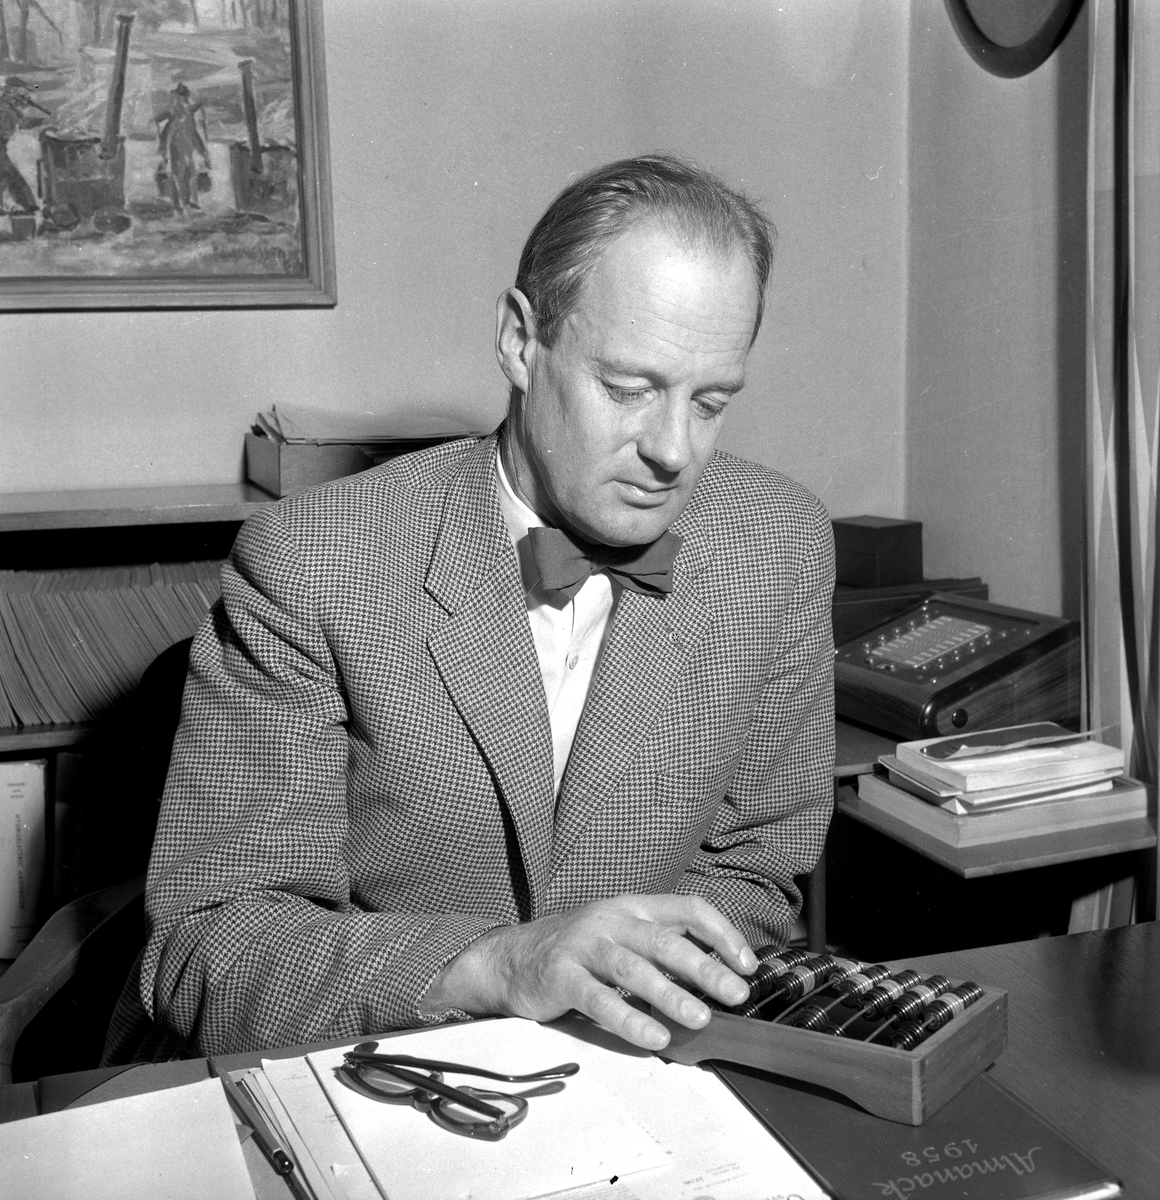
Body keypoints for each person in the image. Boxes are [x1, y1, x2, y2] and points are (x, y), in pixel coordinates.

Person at [106, 153, 835, 1063]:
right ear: (520, 341)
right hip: (368, 1062)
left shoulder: (778, 547)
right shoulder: (311, 563)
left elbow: (753, 874)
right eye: (628, 389)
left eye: (712, 401)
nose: (673, 451)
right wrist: (498, 964)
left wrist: (639, 1003)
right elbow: (212, 943)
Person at [157, 82, 209, 214]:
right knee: (178, 175)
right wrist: (164, 149)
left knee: (190, 173)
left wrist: (203, 152)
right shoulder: (176, 114)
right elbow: (166, 131)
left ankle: (188, 201)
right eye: (180, 97)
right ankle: (178, 204)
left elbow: (194, 134)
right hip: (177, 148)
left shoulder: (187, 114)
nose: (182, 100)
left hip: (188, 149)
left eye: (183, 97)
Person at [0, 77, 46, 215]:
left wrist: (43, 120)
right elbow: (24, 123)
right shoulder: (4, 108)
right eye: (20, 92)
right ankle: (28, 205)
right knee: (10, 175)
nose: (24, 96)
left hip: (2, 146)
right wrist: (45, 121)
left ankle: (27, 205)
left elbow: (24, 122)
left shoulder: (10, 107)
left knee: (6, 177)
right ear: (11, 90)